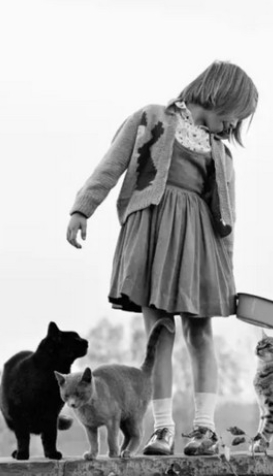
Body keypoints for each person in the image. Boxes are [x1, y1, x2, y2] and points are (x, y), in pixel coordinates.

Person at [66, 60, 258, 456]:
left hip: (198, 246)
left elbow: (227, 218)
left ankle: (204, 430)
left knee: (200, 334)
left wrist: (226, 273)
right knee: (159, 337)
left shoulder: (220, 153)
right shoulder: (151, 118)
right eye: (232, 118)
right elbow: (113, 164)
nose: (230, 129)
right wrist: (82, 208)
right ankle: (163, 430)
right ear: (218, 97)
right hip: (152, 237)